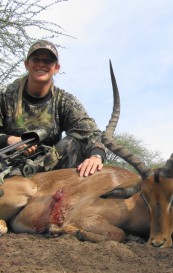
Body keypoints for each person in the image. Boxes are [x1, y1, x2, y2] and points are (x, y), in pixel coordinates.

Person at [0, 40, 106, 177]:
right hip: (7, 160)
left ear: (56, 67)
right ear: (27, 64)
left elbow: (91, 133)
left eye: (48, 61)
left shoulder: (65, 100)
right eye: (36, 59)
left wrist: (96, 156)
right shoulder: (5, 95)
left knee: (74, 142)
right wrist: (9, 140)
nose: (41, 64)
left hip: (48, 166)